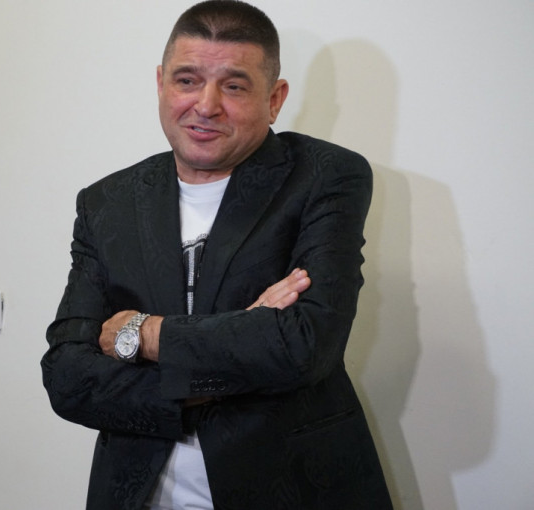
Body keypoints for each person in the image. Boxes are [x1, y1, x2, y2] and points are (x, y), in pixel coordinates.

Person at [41, 1, 392, 508]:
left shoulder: (324, 177)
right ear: (161, 83)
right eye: (187, 80)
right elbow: (67, 378)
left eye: (234, 86)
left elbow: (304, 346)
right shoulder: (107, 202)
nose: (206, 105)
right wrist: (237, 350)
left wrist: (142, 334)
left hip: (290, 490)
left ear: (275, 99)